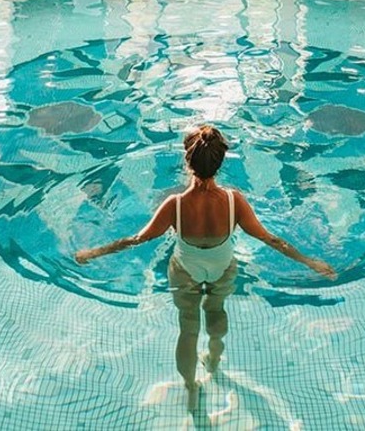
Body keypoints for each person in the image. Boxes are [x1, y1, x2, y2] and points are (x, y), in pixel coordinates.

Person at [75, 124, 336, 410]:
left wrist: (95, 252)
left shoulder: (174, 205)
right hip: (222, 267)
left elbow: (137, 239)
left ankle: (190, 389)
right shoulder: (234, 201)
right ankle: (213, 361)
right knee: (216, 310)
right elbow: (269, 238)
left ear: (187, 162)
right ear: (220, 163)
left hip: (186, 270)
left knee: (188, 329)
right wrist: (310, 262)